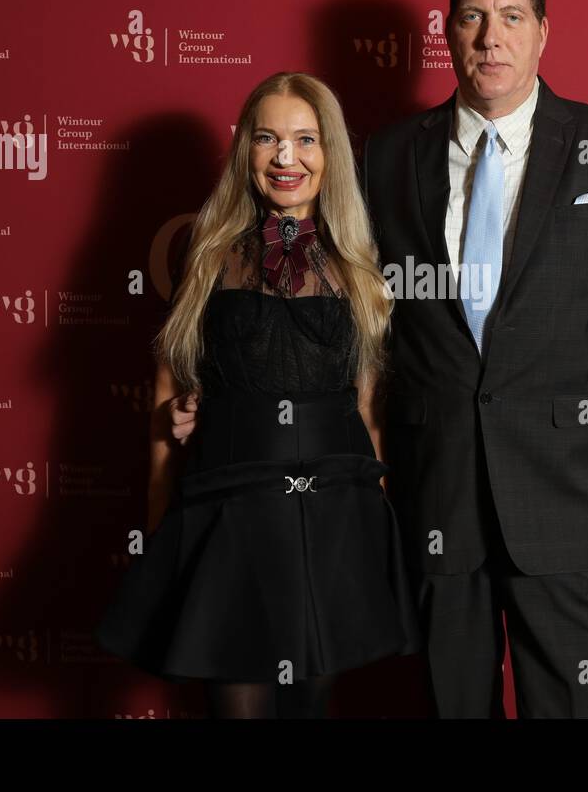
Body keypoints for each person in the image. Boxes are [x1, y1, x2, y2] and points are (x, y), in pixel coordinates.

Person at [358, 0, 588, 717]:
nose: (490, 37)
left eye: (510, 16)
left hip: (567, 509)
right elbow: (360, 333)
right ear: (446, 30)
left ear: (543, 29)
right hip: (435, 503)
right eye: (471, 17)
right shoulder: (384, 156)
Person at [95, 71, 421, 718]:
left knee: (308, 706)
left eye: (305, 139)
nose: (285, 157)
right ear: (245, 150)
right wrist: (161, 519)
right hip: (232, 510)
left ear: (329, 152)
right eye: (267, 138)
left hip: (334, 516)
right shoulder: (210, 254)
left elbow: (368, 409)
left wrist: (375, 536)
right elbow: (170, 389)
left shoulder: (359, 267)